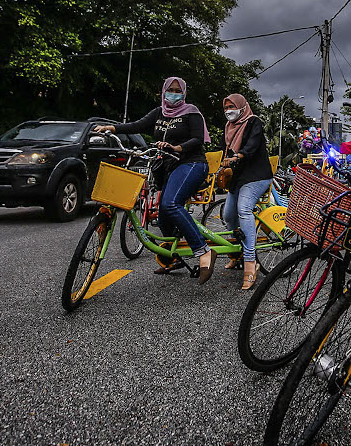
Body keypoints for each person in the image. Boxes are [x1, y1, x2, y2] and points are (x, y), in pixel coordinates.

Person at [95, 77, 216, 283]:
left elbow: (197, 139)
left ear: (184, 93)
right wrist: (112, 129)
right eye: (171, 90)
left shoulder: (191, 111)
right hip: (170, 166)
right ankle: (172, 257)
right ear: (164, 91)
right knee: (162, 214)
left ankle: (203, 250)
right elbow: (137, 125)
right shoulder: (159, 112)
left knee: (171, 204)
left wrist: (178, 147)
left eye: (178, 90)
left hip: (192, 163)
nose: (174, 93)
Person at [219, 94, 272, 290]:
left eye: (232, 106)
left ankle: (251, 262)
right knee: (229, 215)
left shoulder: (253, 122)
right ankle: (237, 253)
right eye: (226, 107)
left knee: (244, 210)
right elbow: (223, 150)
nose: (228, 110)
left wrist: (239, 155)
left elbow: (253, 144)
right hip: (239, 178)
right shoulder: (228, 128)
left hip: (257, 175)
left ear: (242, 107)